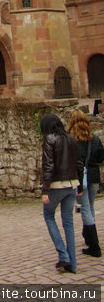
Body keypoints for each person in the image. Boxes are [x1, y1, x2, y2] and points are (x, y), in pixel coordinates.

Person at [40, 112, 83, 274]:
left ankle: (63, 254)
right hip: (72, 185)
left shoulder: (49, 139)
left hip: (56, 186)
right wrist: (80, 187)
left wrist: (45, 190)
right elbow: (79, 163)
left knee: (49, 216)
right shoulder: (70, 138)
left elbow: (48, 166)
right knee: (68, 224)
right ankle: (73, 262)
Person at [67, 109, 104, 258]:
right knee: (90, 207)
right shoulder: (94, 138)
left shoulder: (71, 140)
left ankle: (94, 245)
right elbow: (101, 157)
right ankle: (88, 235)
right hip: (94, 177)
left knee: (85, 209)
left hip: (81, 179)